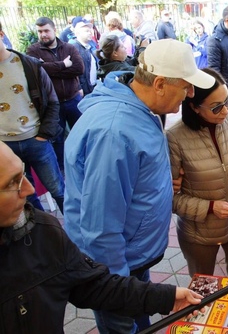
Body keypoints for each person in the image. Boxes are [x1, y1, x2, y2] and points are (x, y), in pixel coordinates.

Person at [63, 39, 214, 333]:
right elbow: (100, 226)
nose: (191, 94)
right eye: (186, 86)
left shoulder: (139, 108)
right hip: (115, 268)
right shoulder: (115, 131)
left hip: (132, 257)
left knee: (138, 320)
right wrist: (118, 287)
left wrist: (157, 183)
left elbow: (127, 179)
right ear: (159, 84)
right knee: (123, 325)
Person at [0, 141, 205, 333]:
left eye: (23, 174)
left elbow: (93, 286)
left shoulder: (40, 229)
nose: (30, 189)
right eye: (12, 183)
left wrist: (166, 297)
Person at [166, 68, 228, 278]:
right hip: (199, 234)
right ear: (194, 107)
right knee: (203, 290)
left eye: (227, 101)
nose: (226, 111)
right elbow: (170, 197)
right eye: (216, 107)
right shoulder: (175, 137)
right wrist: (209, 207)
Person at [0, 22, 65, 214]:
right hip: (5, 147)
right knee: (26, 197)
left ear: (2, 34)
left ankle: (74, 233)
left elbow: (52, 101)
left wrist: (44, 134)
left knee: (58, 191)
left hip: (36, 140)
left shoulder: (28, 64)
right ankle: (45, 232)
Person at [27, 16, 85, 174]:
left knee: (81, 133)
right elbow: (37, 71)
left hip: (73, 99)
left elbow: (79, 69)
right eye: (40, 31)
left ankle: (85, 163)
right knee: (57, 139)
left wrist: (48, 68)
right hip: (53, 104)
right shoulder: (33, 50)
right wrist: (64, 65)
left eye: (46, 30)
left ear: (54, 30)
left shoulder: (69, 48)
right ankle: (63, 170)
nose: (43, 34)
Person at [69, 17, 98, 96]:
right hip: (84, 90)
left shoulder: (89, 46)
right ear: (77, 33)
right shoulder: (74, 48)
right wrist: (79, 88)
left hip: (92, 87)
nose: (90, 33)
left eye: (90, 30)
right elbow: (73, 71)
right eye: (86, 31)